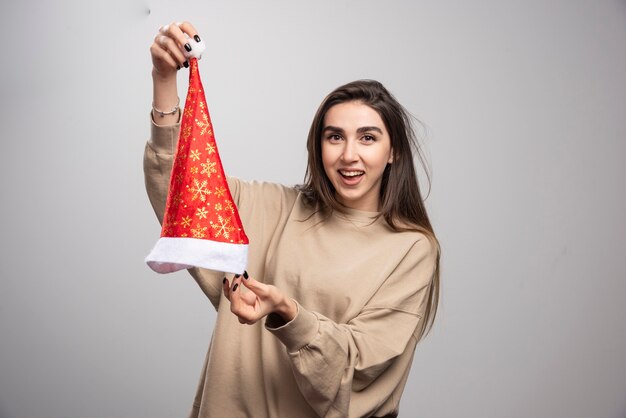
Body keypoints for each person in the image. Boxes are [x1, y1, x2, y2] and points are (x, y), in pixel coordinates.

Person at [145, 21, 441, 418]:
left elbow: (362, 368)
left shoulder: (411, 248)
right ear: (318, 147)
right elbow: (184, 194)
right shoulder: (274, 208)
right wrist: (164, 79)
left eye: (368, 138)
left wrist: (289, 312)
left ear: (393, 152)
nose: (349, 155)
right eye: (334, 137)